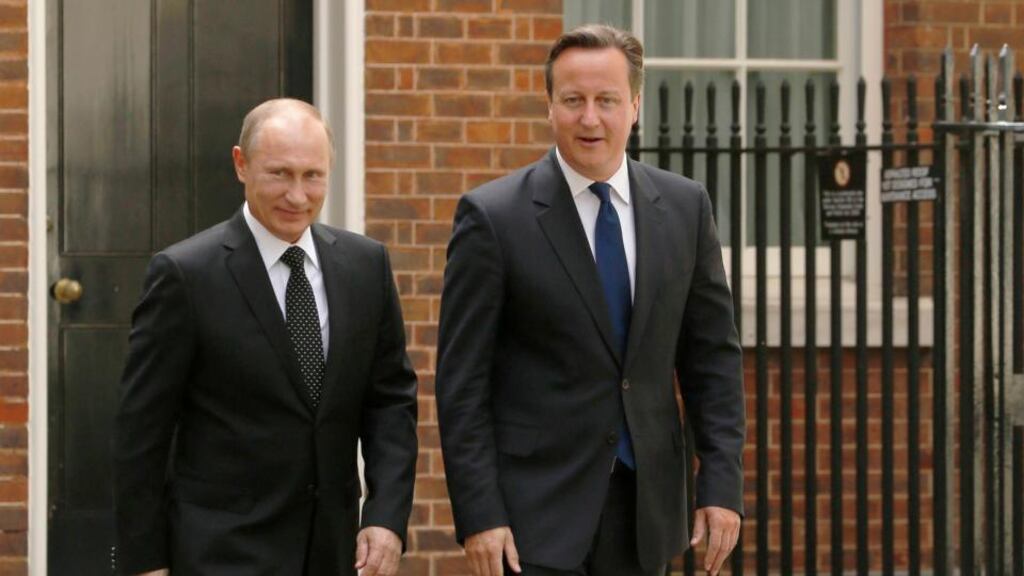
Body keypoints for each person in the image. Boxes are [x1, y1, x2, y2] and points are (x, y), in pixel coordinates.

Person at [435, 24, 745, 576]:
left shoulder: (685, 208)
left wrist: (721, 485)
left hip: (645, 511)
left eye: (607, 100)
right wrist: (480, 513)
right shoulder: (493, 218)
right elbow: (462, 384)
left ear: (635, 106)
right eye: (573, 100)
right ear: (549, 106)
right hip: (533, 517)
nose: (590, 119)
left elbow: (712, 359)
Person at [114, 99, 418, 576]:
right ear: (241, 164)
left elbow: (391, 402)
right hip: (221, 551)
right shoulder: (185, 275)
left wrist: (386, 516)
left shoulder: (366, 267)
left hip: (333, 551)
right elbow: (142, 432)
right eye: (279, 174)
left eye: (312, 176)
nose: (297, 195)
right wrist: (145, 561)